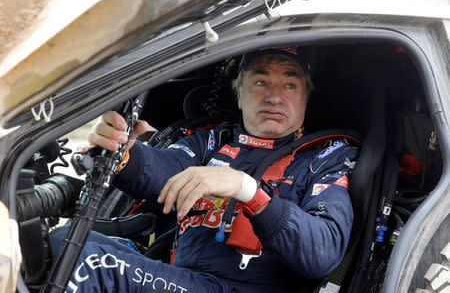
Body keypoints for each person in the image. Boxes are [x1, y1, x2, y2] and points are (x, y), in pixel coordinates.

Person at [50, 47, 359, 293]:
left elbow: (323, 249)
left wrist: (245, 189)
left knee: (92, 264)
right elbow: (163, 170)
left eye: (290, 84)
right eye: (260, 81)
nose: (274, 96)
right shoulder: (212, 140)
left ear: (305, 98)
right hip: (185, 278)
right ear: (239, 94)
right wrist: (121, 152)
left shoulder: (326, 156)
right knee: (62, 240)